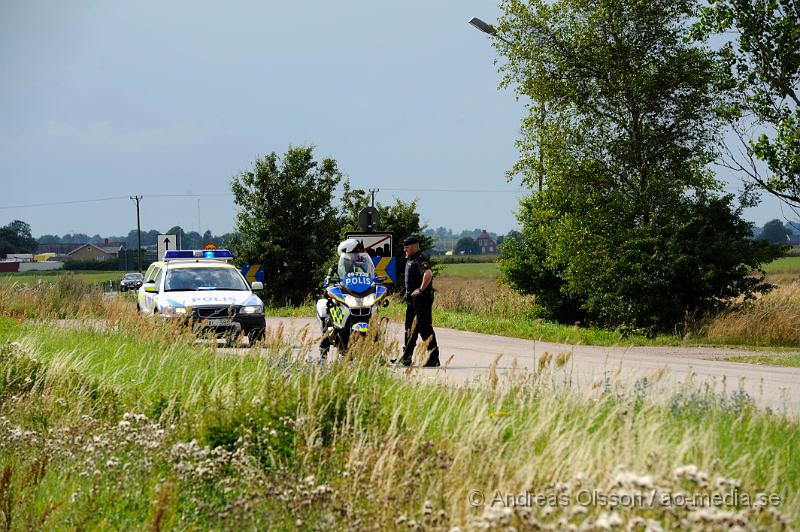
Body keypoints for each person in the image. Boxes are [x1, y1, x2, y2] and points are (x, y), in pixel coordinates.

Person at [397, 235, 440, 367]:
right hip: (412, 301)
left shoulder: (420, 258)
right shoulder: (411, 259)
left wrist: (420, 289)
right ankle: (406, 357)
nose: (405, 250)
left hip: (422, 299)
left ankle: (433, 358)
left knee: (424, 328)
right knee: (410, 328)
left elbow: (428, 274)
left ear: (415, 246)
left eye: (407, 248)